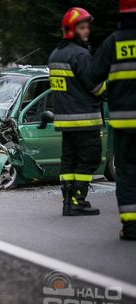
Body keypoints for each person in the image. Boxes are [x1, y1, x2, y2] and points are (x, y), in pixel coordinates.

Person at [48, 7, 103, 216]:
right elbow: (96, 87)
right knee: (88, 160)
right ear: (72, 30)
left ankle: (68, 201)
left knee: (69, 162)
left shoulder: (56, 54)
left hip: (65, 121)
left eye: (87, 26)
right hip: (85, 120)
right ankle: (77, 200)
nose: (87, 31)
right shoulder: (80, 54)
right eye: (82, 27)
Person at [88, 0, 136, 240]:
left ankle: (130, 227)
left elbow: (92, 77)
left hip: (124, 121)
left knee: (127, 173)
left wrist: (108, 92)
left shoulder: (114, 42)